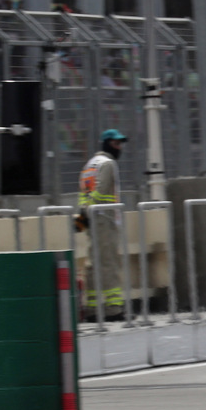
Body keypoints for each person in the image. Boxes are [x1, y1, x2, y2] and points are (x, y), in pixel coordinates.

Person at [79, 129, 127, 320]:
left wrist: (82, 219)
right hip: (104, 219)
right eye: (116, 144)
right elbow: (100, 192)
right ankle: (113, 308)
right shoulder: (108, 164)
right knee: (109, 262)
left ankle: (90, 307)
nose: (119, 147)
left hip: (91, 220)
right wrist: (96, 208)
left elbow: (83, 195)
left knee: (92, 263)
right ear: (106, 143)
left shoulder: (89, 165)